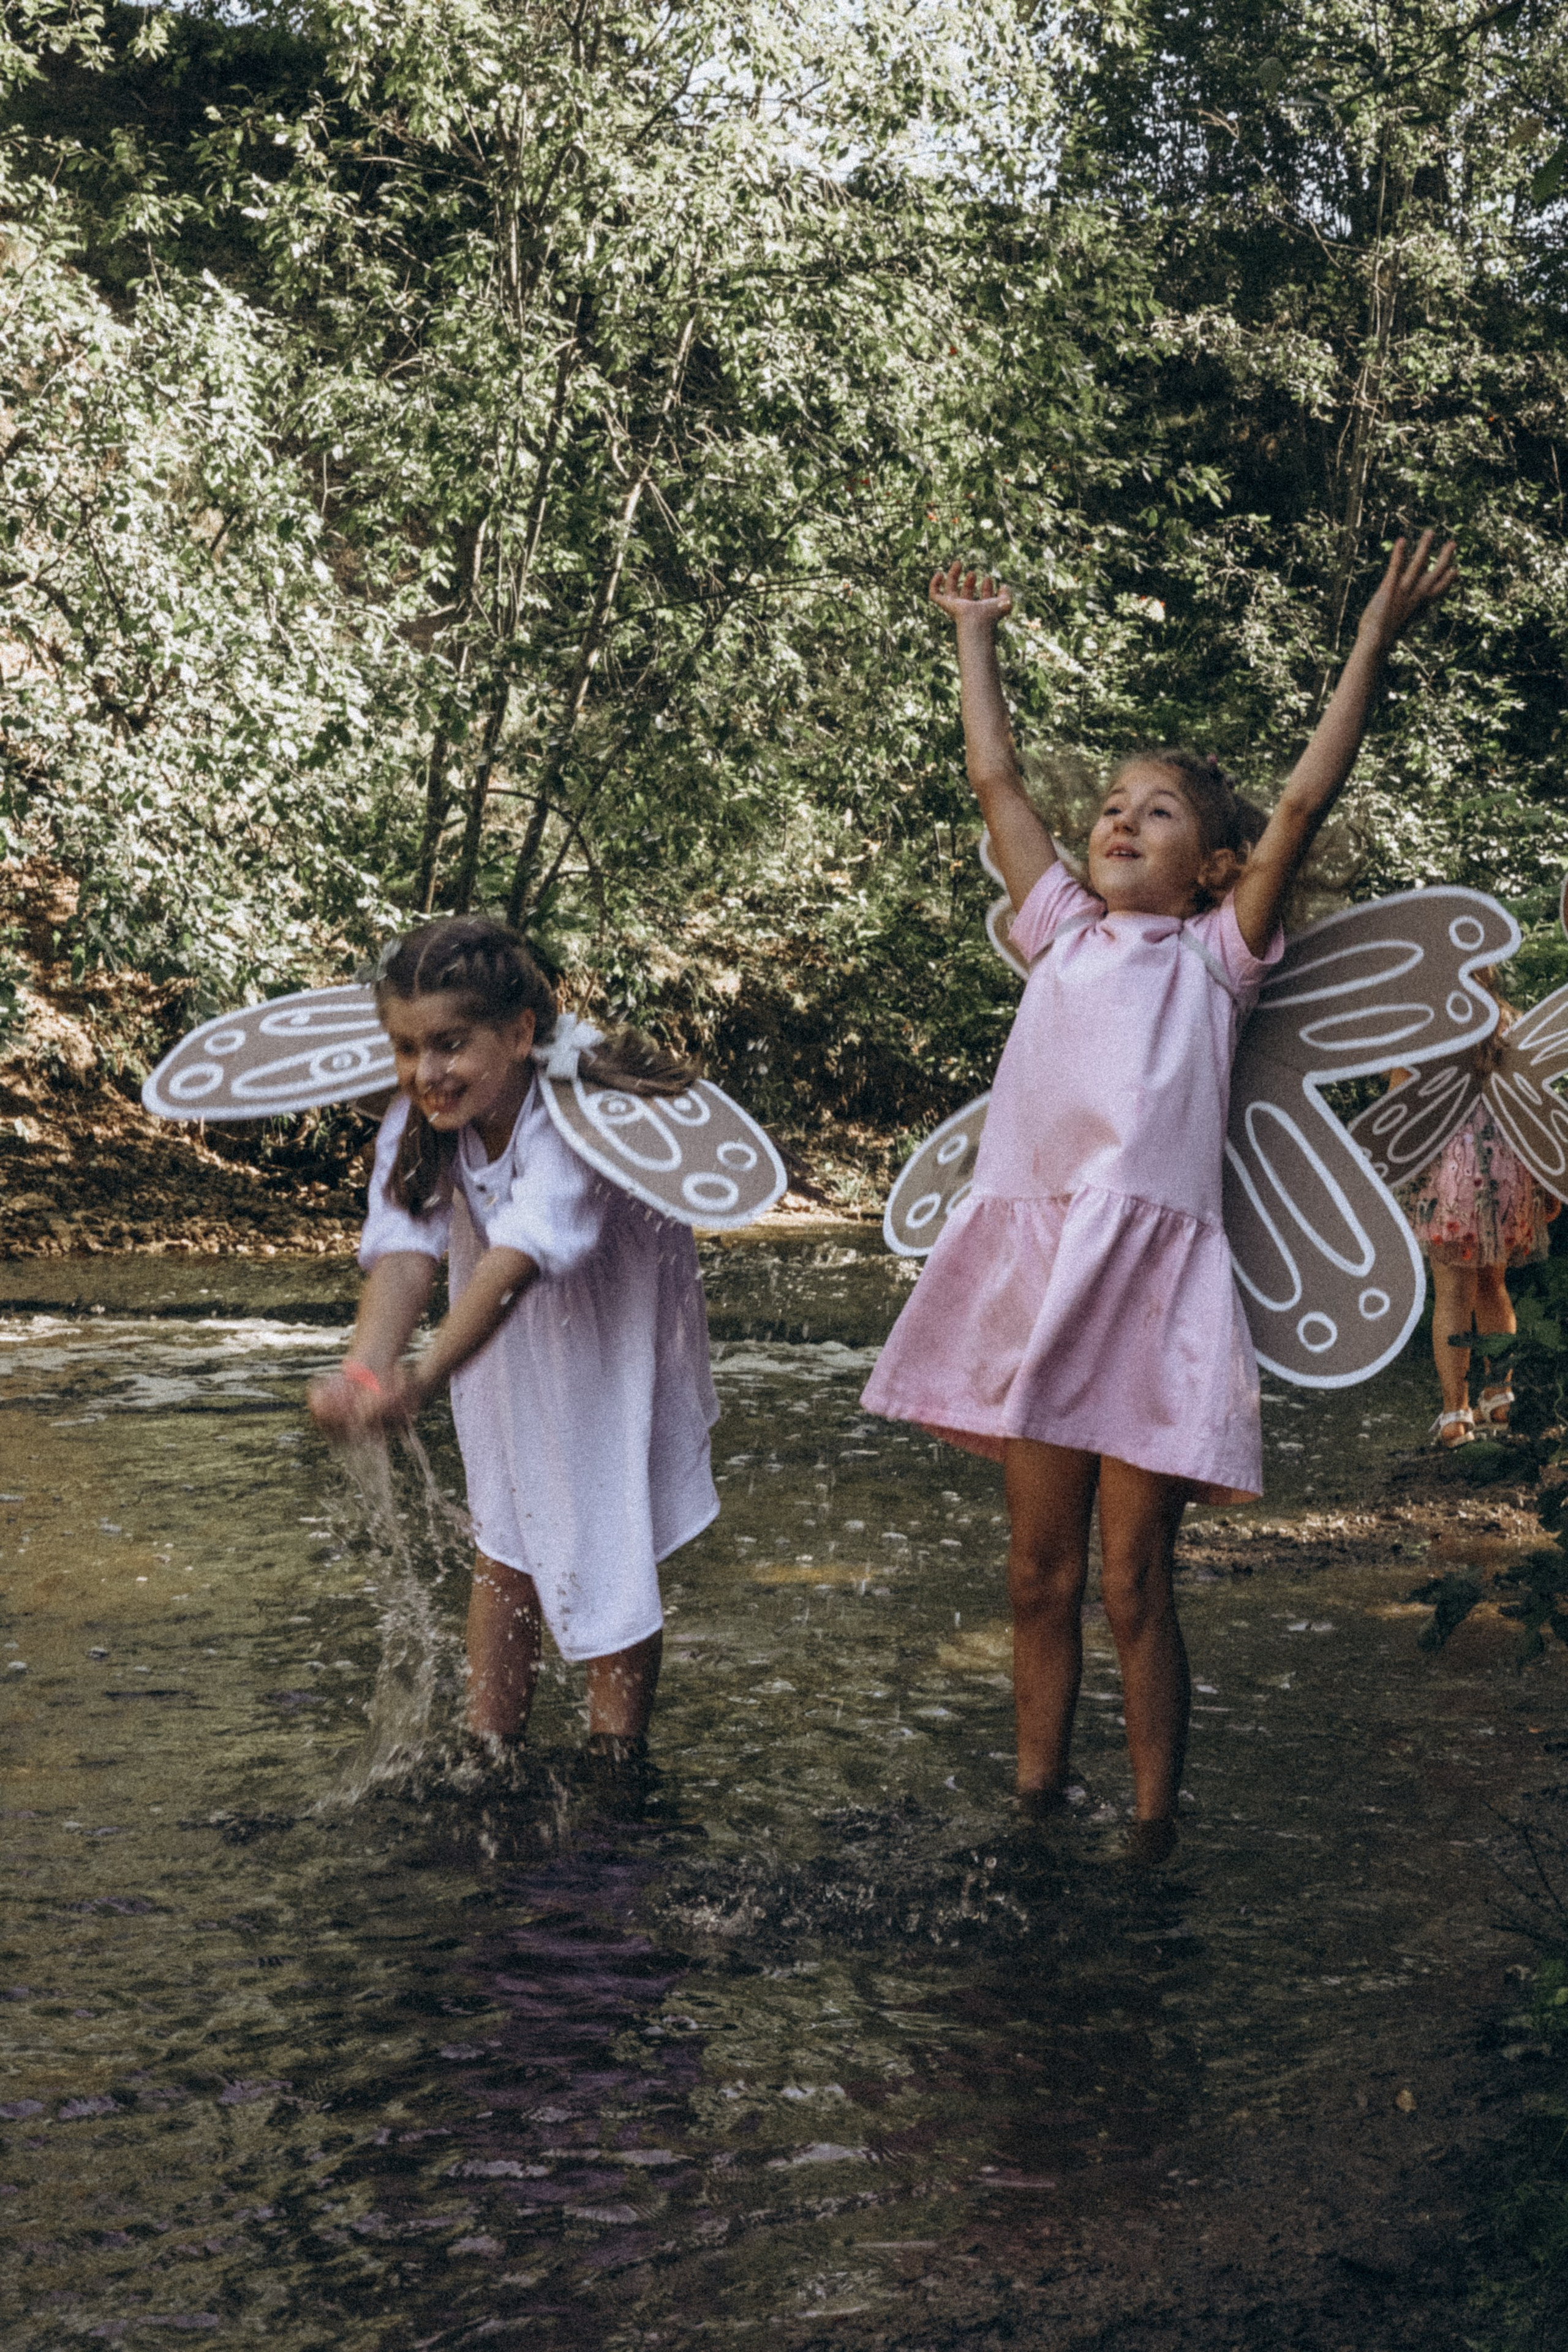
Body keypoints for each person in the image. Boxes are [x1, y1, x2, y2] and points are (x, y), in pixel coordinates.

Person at [862, 534, 1458, 1861]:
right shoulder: (1059, 931)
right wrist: (973, 632)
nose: (1120, 819)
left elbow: (1301, 802)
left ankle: (1150, 1833)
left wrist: (1369, 638)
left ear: (1210, 868)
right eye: (1113, 806)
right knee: (1035, 1575)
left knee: (1133, 1581)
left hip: (1145, 1290)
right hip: (1033, 1271)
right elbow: (991, 777)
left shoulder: (1216, 959)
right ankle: (1029, 1810)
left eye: (1159, 813)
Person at [308, 918, 720, 1766]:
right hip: (504, 1344)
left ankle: (618, 1767)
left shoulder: (577, 1112)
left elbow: (517, 1260)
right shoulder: (424, 1111)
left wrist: (418, 1380)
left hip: (609, 1340)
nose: (426, 1073)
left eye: (451, 1045)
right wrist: (365, 1367)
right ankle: (489, 1752)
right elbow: (403, 1247)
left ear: (521, 1032)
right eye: (406, 1048)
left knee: (607, 1528)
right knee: (505, 1530)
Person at [1391, 990, 1555, 1449]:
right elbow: (1534, 1105)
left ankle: (1455, 1414)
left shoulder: (1426, 1017)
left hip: (1452, 1174)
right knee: (1493, 1285)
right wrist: (1547, 1179)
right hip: (1508, 1168)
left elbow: (1400, 1108)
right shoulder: (1512, 1024)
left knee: (1452, 1296)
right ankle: (1499, 1396)